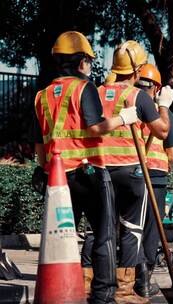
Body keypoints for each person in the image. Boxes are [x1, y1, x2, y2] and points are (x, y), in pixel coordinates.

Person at [32, 31, 138, 304]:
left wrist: (43, 169)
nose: (90, 67)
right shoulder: (83, 88)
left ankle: (58, 292)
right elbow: (94, 126)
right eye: (89, 61)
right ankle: (102, 296)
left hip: (57, 180)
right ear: (81, 62)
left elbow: (39, 144)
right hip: (87, 173)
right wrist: (123, 118)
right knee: (104, 235)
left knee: (58, 237)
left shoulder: (42, 96)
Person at [98, 41, 173, 304]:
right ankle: (125, 292)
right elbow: (162, 131)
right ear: (138, 69)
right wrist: (163, 104)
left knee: (102, 231)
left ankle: (98, 289)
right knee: (132, 231)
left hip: (101, 172)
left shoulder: (96, 93)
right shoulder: (137, 96)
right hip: (131, 172)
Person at [133, 63, 173, 298]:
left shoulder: (127, 105)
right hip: (155, 177)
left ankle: (127, 275)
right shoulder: (164, 112)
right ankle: (144, 280)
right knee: (151, 231)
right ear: (156, 87)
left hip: (130, 174)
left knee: (129, 227)